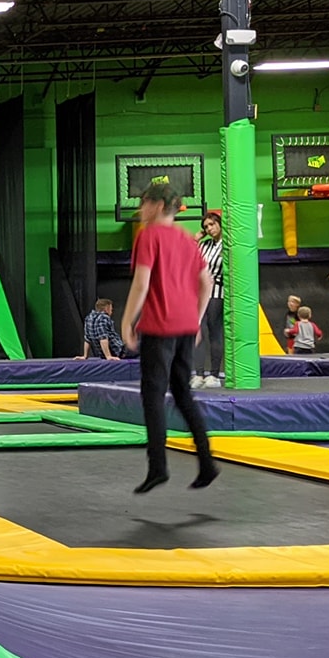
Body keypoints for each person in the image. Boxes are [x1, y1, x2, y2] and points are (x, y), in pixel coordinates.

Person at [118, 179, 218, 495]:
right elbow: (207, 281)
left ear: (158, 206)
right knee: (183, 394)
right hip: (186, 327)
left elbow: (142, 283)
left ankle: (158, 466)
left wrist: (126, 321)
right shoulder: (188, 240)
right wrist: (198, 318)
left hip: (159, 328)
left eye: (144, 203)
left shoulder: (149, 237)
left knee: (153, 395)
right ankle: (206, 461)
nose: (139, 209)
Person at [197, 210, 226, 387]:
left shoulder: (228, 245)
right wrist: (196, 238)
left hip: (217, 292)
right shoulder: (205, 245)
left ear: (220, 224)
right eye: (206, 226)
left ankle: (214, 374)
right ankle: (199, 373)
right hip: (199, 293)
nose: (209, 228)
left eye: (212, 224)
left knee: (214, 331)